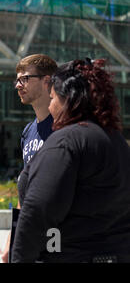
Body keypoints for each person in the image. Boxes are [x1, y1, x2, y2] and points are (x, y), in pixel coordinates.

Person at [11, 59, 130, 263]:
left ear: (68, 99)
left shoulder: (67, 141)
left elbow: (37, 210)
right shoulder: (115, 139)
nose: (51, 105)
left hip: (71, 254)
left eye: (53, 97)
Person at [2, 54, 58, 262]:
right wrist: (12, 237)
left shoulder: (65, 127)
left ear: (47, 81)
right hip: (30, 232)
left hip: (56, 234)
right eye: (17, 80)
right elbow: (25, 188)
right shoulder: (28, 131)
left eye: (24, 79)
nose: (18, 85)